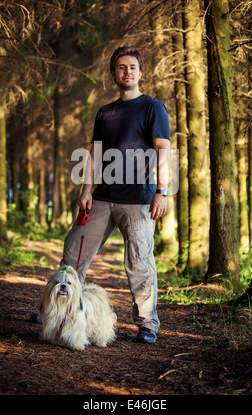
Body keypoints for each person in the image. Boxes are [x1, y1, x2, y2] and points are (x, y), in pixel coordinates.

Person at [61, 46, 170, 344]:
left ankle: (147, 324)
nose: (127, 72)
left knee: (139, 263)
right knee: (74, 251)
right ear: (113, 73)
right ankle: (61, 310)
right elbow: (95, 155)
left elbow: (163, 152)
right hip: (101, 198)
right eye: (121, 67)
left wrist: (162, 192)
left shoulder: (153, 108)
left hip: (138, 201)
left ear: (141, 72)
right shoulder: (105, 112)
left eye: (132, 67)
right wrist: (86, 191)